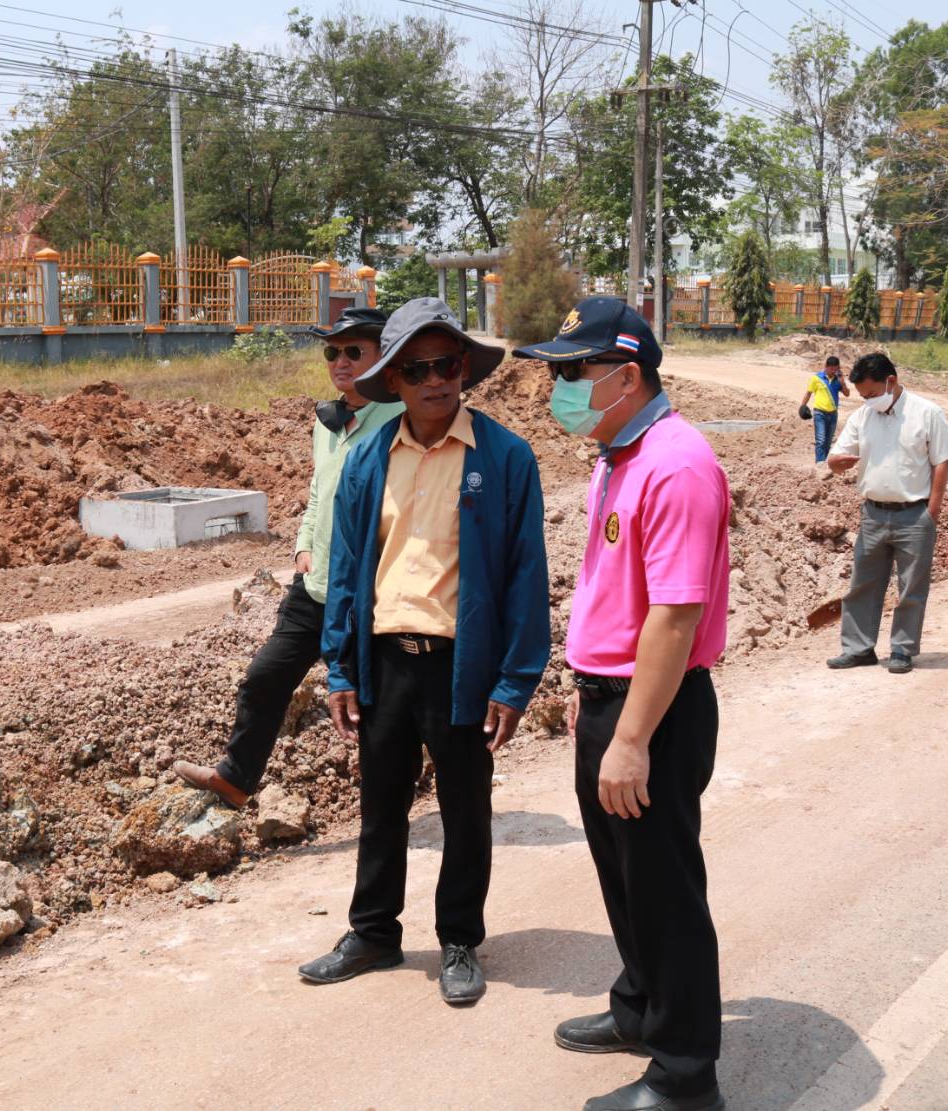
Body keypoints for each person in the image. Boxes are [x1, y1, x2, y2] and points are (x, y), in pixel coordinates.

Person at [298, 297, 550, 1006]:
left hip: (461, 665)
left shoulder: (505, 458)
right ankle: (373, 931)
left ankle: (460, 939)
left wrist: (514, 682)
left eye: (446, 365)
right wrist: (340, 666)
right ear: (394, 380)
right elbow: (347, 570)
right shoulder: (368, 458)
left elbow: (526, 576)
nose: (434, 380)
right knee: (380, 804)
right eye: (416, 369)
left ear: (463, 368)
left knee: (465, 807)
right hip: (385, 660)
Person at [517, 297, 730, 1111]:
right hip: (612, 697)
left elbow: (674, 617)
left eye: (575, 371)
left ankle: (685, 1074)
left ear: (627, 376)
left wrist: (633, 735)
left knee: (665, 891)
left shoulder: (676, 464)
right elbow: (615, 592)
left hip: (657, 711)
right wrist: (591, 691)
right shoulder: (618, 454)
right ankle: (641, 1005)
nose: (561, 389)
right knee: (626, 878)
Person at [172, 307, 403, 806]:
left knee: (373, 699)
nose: (340, 362)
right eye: (332, 353)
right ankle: (236, 779)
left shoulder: (400, 422)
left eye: (354, 351)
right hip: (314, 586)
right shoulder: (327, 423)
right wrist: (302, 543)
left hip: (369, 592)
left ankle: (391, 801)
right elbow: (319, 491)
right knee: (265, 677)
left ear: (384, 358)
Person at [826, 352, 948, 674]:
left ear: (891, 382)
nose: (868, 401)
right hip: (873, 514)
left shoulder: (927, 413)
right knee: (863, 584)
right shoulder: (862, 416)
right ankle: (858, 649)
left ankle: (902, 649)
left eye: (872, 394)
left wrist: (932, 512)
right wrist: (836, 463)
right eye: (863, 396)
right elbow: (836, 458)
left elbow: (941, 462)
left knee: (911, 587)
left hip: (914, 514)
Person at [798, 354, 851, 464]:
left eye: (836, 369)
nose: (833, 371)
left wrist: (843, 382)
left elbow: (847, 394)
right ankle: (820, 463)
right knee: (820, 440)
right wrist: (802, 406)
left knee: (828, 441)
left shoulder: (838, 380)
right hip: (819, 413)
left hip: (833, 414)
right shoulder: (816, 378)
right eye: (831, 369)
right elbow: (808, 393)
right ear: (826, 367)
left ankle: (823, 463)